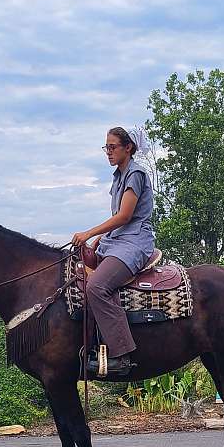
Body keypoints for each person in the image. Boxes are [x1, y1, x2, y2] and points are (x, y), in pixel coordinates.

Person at [72, 125, 155, 376]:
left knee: (96, 286)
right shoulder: (119, 176)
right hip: (117, 241)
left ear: (127, 148)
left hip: (134, 242)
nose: (108, 152)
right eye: (105, 147)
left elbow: (125, 215)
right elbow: (117, 220)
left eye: (112, 147)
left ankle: (121, 355)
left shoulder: (135, 174)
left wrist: (90, 233)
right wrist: (103, 239)